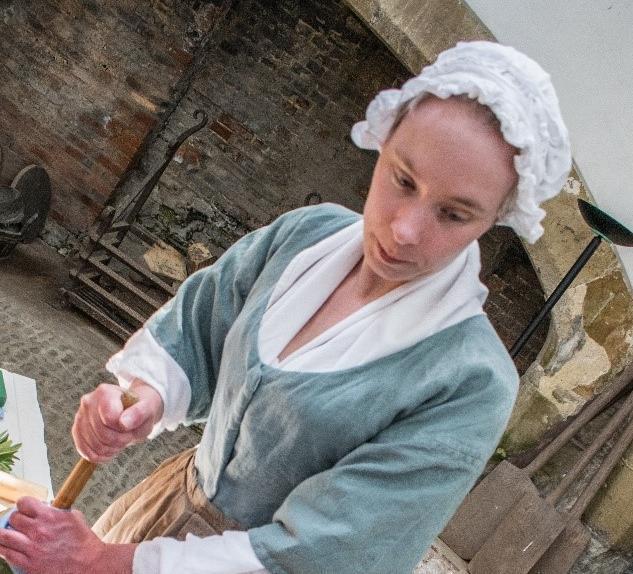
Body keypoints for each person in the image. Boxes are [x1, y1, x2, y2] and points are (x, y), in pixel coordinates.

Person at [0, 41, 571, 574]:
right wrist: (141, 402)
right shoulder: (308, 235)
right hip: (160, 510)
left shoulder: (470, 382)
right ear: (384, 140)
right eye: (403, 179)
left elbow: (333, 549)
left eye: (455, 214)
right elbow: (201, 331)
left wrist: (109, 563)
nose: (405, 230)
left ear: (496, 219)